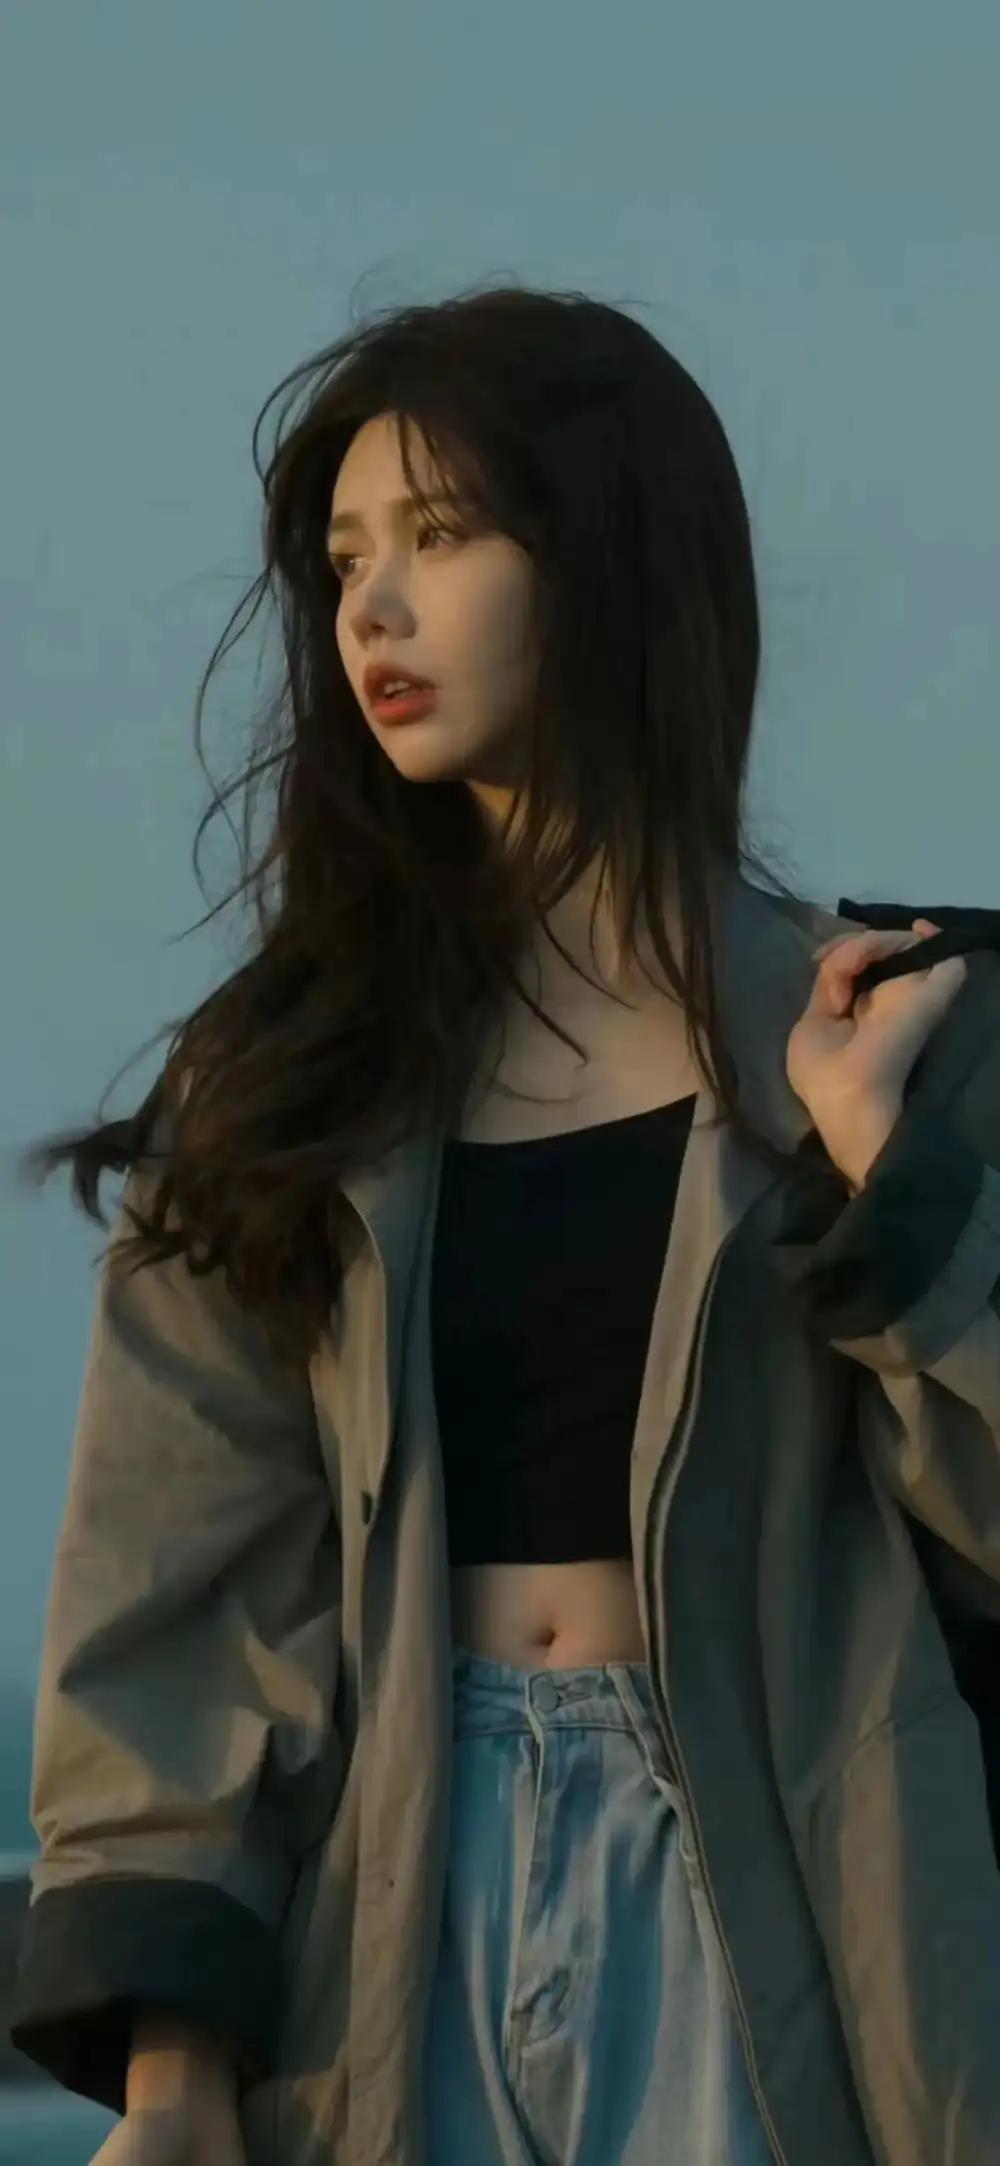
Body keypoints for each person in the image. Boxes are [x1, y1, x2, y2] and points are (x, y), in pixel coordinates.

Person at [8, 281, 1000, 2166]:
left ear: (613, 561)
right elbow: (178, 1598)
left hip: (778, 1899)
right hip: (391, 1918)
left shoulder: (889, 1033)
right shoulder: (283, 1082)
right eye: (343, 561)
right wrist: (173, 2074)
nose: (369, 609)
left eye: (441, 536)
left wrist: (890, 1184)